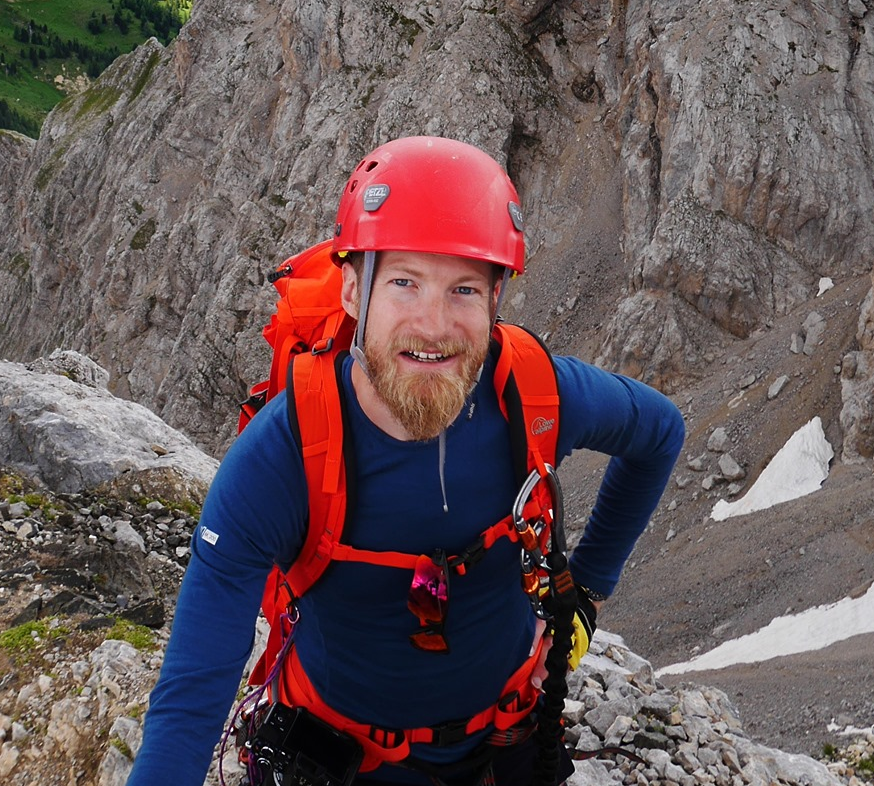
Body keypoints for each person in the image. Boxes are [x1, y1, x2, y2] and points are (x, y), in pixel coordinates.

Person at [125, 136, 685, 786]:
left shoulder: (531, 394)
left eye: (464, 291)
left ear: (495, 301)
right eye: (405, 283)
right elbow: (193, 693)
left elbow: (658, 434)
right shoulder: (283, 460)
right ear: (353, 293)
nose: (434, 324)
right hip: (341, 764)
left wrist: (581, 597)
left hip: (508, 745)